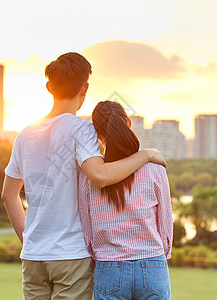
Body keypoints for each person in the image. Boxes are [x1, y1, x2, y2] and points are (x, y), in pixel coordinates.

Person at [1, 52, 167, 300]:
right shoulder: (81, 129)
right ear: (85, 88)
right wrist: (145, 155)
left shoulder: (25, 134)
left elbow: (8, 195)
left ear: (49, 87)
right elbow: (100, 175)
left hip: (34, 257)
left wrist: (28, 240)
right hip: (70, 255)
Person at [78, 101, 173, 300]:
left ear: (97, 134)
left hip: (108, 266)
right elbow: (165, 227)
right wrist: (157, 255)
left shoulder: (88, 176)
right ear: (128, 123)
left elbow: (87, 230)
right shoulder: (155, 168)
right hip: (152, 264)